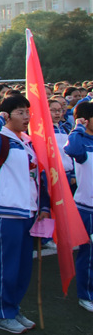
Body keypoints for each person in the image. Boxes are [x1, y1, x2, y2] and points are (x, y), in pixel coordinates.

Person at [0, 94, 50, 334]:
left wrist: (43, 206)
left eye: (27, 112)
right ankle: (1, 313)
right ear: (8, 115)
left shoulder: (26, 141)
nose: (26, 117)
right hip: (5, 211)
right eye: (20, 112)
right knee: (6, 265)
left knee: (22, 267)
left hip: (27, 211)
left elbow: (38, 176)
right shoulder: (1, 139)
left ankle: (13, 307)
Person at [64, 101, 93, 312]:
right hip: (87, 207)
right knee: (89, 254)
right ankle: (86, 294)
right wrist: (78, 127)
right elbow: (71, 149)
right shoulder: (80, 141)